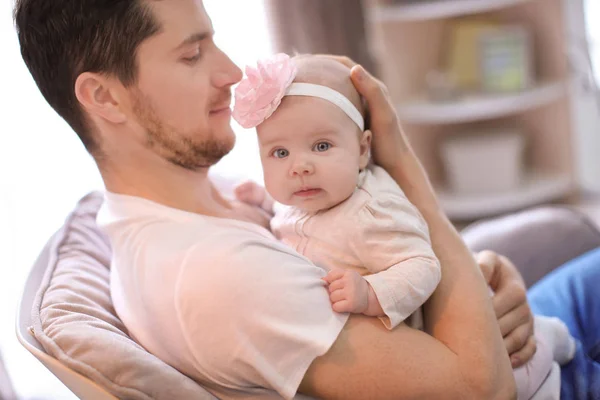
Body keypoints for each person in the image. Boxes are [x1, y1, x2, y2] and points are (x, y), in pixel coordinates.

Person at [15, 0, 559, 398]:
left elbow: (366, 247)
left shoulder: (202, 201)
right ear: (104, 97)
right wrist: (399, 160)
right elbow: (478, 387)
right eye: (192, 55)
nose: (231, 73)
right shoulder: (220, 275)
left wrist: (478, 270)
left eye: (214, 40)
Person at [231, 53, 575, 399]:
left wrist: (371, 292)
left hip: (490, 347)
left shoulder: (371, 212)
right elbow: (287, 215)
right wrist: (263, 200)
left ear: (364, 149)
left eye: (321, 146)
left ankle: (557, 339)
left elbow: (423, 265)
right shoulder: (304, 198)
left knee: (534, 366)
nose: (299, 167)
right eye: (279, 153)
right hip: (456, 341)